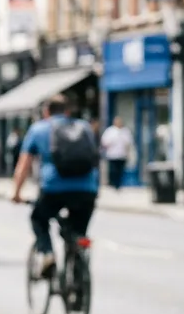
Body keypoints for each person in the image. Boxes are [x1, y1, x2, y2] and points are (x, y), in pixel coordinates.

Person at [10, 95, 100, 277]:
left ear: (46, 112)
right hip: (87, 189)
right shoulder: (84, 127)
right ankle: (78, 270)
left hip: (53, 189)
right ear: (67, 111)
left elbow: (24, 166)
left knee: (39, 219)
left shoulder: (39, 129)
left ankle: (47, 254)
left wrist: (16, 193)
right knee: (78, 230)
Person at [100, 117, 133, 190]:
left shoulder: (125, 131)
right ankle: (113, 184)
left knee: (120, 171)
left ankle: (119, 184)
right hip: (112, 155)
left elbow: (129, 143)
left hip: (122, 155)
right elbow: (104, 142)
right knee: (113, 170)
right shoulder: (110, 131)